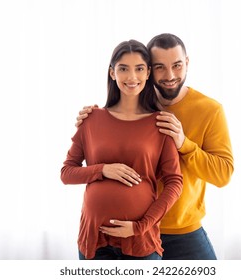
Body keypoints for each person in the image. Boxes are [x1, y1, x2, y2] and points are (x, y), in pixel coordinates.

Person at [75, 33, 234, 260]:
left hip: (180, 230)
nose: (170, 75)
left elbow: (223, 174)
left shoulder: (210, 110)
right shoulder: (135, 102)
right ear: (149, 69)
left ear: (186, 63)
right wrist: (92, 117)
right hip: (131, 230)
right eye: (160, 67)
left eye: (177, 66)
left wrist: (184, 144)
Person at [60, 39, 183, 260]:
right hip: (94, 240)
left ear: (147, 74)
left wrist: (140, 226)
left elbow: (175, 183)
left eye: (139, 69)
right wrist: (103, 170)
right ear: (112, 72)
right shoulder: (92, 119)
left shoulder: (160, 124)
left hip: (140, 241)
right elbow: (66, 173)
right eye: (123, 69)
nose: (132, 77)